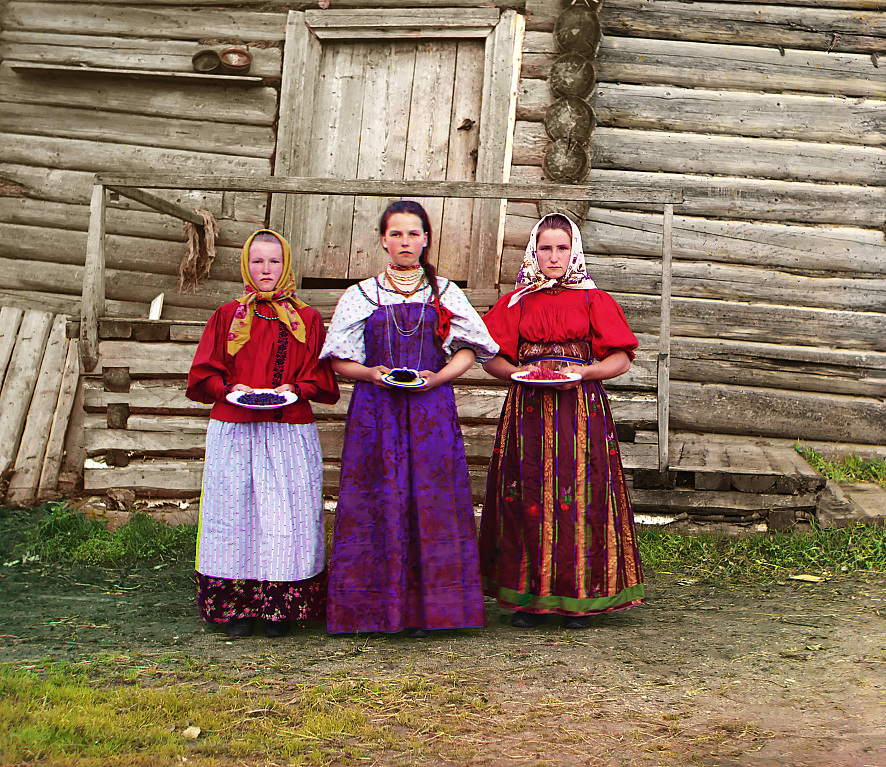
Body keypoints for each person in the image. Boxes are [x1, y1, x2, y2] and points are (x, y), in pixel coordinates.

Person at [320, 200, 499, 637]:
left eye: (413, 233)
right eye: (396, 234)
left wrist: (437, 378)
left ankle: (431, 612)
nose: (405, 242)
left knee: (431, 499)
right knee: (378, 497)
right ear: (383, 239)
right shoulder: (360, 295)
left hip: (430, 411)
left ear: (426, 239)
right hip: (375, 412)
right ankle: (374, 611)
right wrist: (371, 374)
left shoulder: (445, 293)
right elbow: (340, 360)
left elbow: (470, 350)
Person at [479, 212, 644, 630]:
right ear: (534, 251)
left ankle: (579, 597)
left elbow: (621, 358)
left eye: (562, 248)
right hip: (529, 411)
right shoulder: (517, 301)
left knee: (579, 495)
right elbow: (490, 357)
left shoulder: (594, 299)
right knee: (527, 492)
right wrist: (517, 373)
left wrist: (584, 373)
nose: (554, 257)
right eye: (546, 248)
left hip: (579, 411)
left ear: (575, 251)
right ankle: (528, 598)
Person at [186, 229, 339, 638]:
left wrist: (296, 388)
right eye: (257, 261)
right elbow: (204, 372)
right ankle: (236, 609)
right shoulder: (226, 315)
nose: (265, 269)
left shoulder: (306, 319)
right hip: (234, 430)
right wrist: (229, 389)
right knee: (233, 515)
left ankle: (279, 608)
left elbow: (320, 377)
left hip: (287, 431)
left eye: (273, 261)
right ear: (246, 266)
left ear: (285, 264)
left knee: (284, 516)